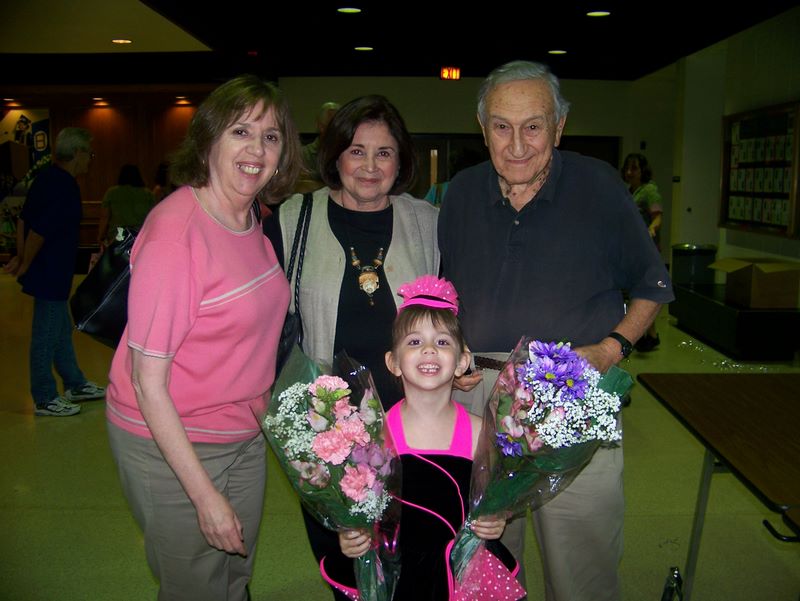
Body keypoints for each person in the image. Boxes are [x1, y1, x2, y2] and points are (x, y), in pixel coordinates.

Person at [439, 60, 674, 601]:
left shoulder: (600, 186)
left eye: (533, 126)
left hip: (572, 396)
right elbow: (447, 291)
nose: (517, 144)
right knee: (488, 567)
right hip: (479, 400)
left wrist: (611, 350)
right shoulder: (461, 193)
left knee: (580, 565)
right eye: (502, 126)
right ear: (483, 129)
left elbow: (653, 286)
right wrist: (454, 350)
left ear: (559, 127)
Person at [105, 75, 300, 601]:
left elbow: (249, 346)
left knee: (235, 576)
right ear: (209, 138)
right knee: (194, 586)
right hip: (172, 440)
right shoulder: (177, 234)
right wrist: (204, 497)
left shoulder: (250, 218)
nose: (257, 150)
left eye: (271, 136)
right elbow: (147, 383)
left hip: (241, 433)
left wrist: (278, 434)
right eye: (241, 131)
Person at [263, 94, 439, 601]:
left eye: (384, 153)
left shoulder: (427, 222)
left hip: (414, 424)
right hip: (329, 433)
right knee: (347, 563)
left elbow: (449, 309)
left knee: (417, 560)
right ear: (335, 154)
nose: (369, 166)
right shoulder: (292, 218)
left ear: (401, 162)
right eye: (356, 151)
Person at [325, 275, 520, 601]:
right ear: (393, 362)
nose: (429, 349)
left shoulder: (480, 433)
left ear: (462, 361)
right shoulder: (373, 435)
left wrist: (497, 519)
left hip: (458, 577)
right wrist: (352, 535)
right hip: (396, 575)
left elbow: (493, 500)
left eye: (442, 342)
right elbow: (359, 510)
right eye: (414, 342)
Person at [5, 127, 105, 416]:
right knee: (46, 335)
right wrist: (25, 262)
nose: (89, 160)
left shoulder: (46, 178)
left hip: (52, 273)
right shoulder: (63, 185)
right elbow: (39, 230)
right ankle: (44, 397)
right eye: (89, 154)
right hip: (50, 273)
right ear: (77, 153)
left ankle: (74, 382)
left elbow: (24, 220)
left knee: (60, 330)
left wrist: (21, 256)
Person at [622, 152, 664, 351]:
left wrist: (651, 229)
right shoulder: (628, 191)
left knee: (643, 291)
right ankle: (650, 335)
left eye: (635, 168)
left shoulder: (649, 191)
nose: (630, 172)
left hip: (646, 251)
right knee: (636, 291)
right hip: (630, 249)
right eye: (628, 168)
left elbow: (658, 216)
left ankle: (647, 334)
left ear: (643, 170)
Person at [97, 164, 156, 245]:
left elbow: (104, 217)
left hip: (118, 235)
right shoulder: (148, 194)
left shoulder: (112, 193)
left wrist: (100, 236)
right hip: (140, 235)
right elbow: (153, 217)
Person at [296, 101, 341, 192]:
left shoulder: (347, 154)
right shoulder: (303, 155)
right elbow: (300, 186)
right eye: (330, 126)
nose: (335, 132)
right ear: (319, 126)